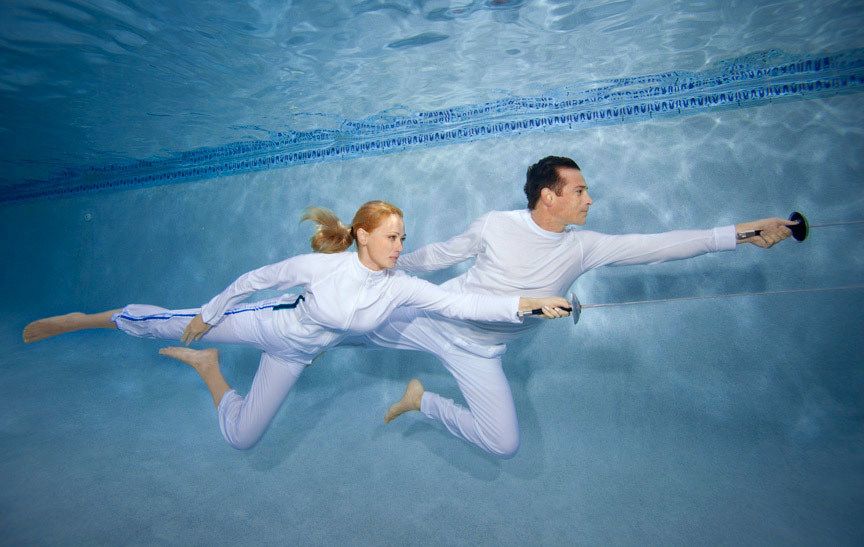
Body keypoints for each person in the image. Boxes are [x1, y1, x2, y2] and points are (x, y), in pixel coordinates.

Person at [22, 200, 571, 449]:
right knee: (172, 323)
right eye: (391, 237)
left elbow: (460, 306)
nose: (400, 246)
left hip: (294, 356)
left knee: (243, 437)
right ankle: (91, 319)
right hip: (267, 326)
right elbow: (255, 280)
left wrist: (527, 303)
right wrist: (212, 312)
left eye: (404, 238)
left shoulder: (400, 285)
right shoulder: (321, 268)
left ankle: (208, 369)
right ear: (362, 235)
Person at [356, 156, 798, 458]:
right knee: (347, 326)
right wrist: (375, 264)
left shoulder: (582, 248)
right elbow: (437, 257)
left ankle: (421, 401)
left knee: (503, 443)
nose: (589, 200)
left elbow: (657, 246)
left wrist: (740, 234)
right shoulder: (496, 225)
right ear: (549, 196)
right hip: (435, 319)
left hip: (482, 353)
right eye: (580, 190)